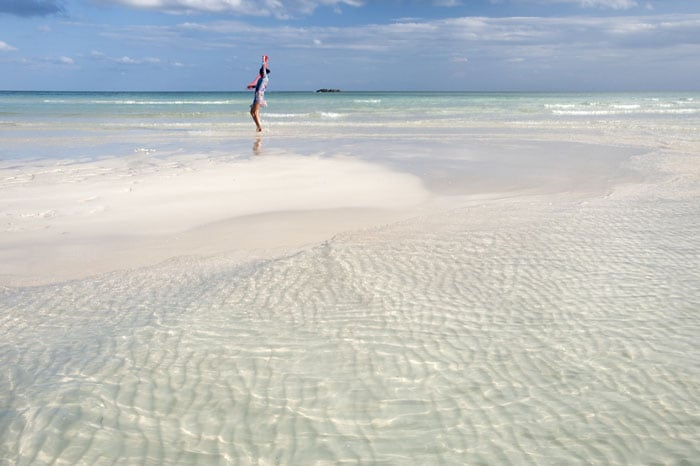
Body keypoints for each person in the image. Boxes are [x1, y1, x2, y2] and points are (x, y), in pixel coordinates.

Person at [249, 56, 270, 132]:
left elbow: (264, 68)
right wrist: (252, 86)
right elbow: (259, 86)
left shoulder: (265, 78)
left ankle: (259, 127)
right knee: (252, 112)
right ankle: (258, 126)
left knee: (255, 112)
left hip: (259, 96)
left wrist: (263, 60)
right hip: (256, 96)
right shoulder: (261, 79)